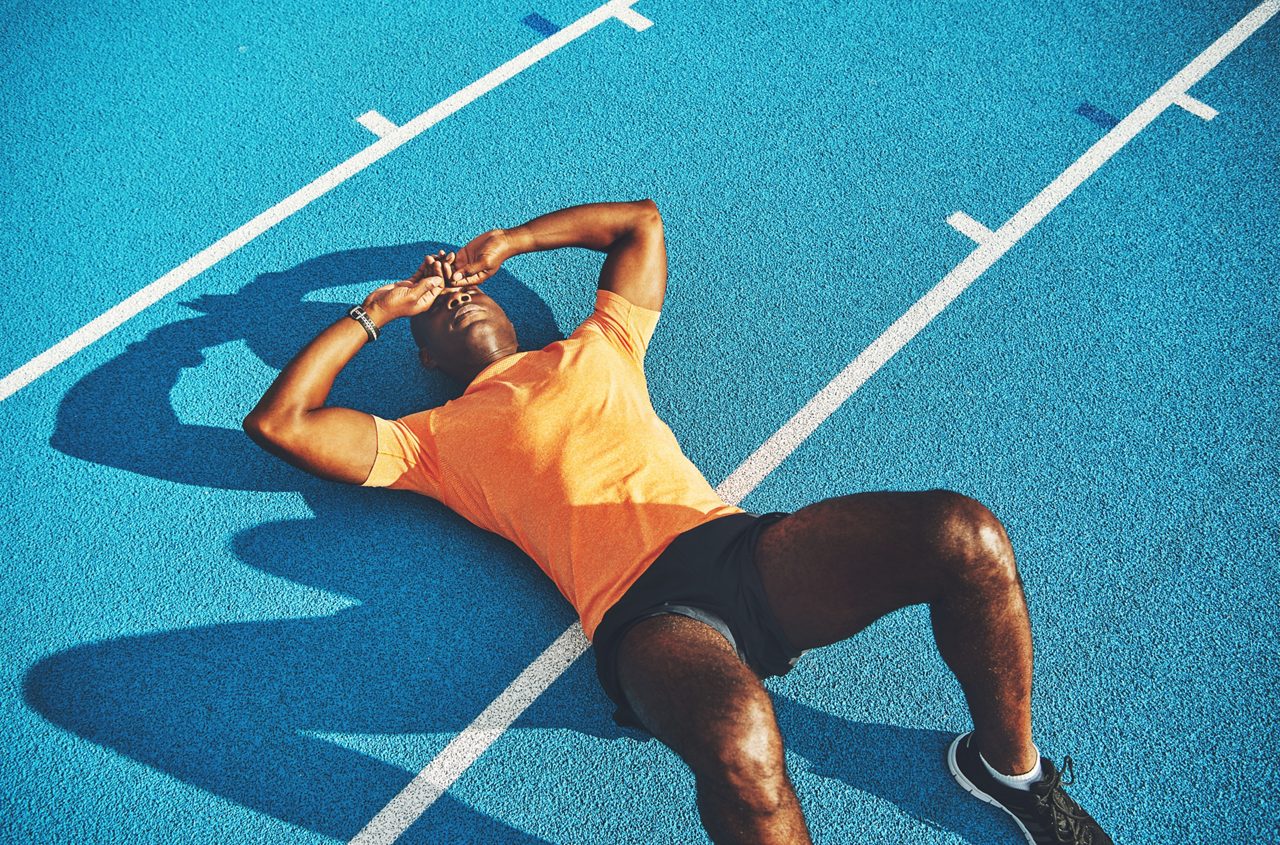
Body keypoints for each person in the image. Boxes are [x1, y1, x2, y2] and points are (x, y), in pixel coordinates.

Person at [243, 199, 1111, 845]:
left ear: (509, 304)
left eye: (469, 290)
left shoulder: (597, 345)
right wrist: (378, 310)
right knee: (742, 742)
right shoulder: (426, 440)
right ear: (425, 359)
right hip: (647, 616)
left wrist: (510, 241)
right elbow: (281, 423)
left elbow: (640, 226)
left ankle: (1009, 770)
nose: (458, 300)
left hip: (736, 548)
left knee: (965, 535)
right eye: (437, 314)